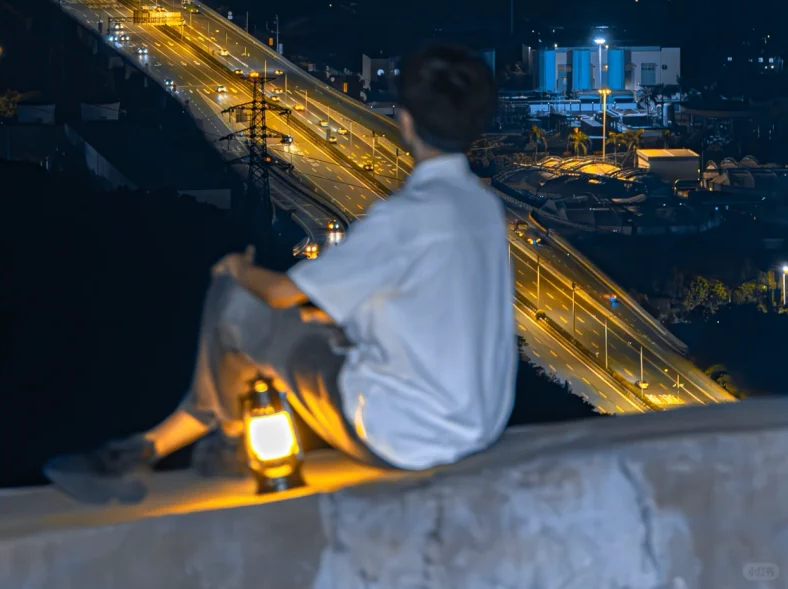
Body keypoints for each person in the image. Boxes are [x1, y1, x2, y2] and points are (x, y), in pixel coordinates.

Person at [45, 43, 517, 503]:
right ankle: (164, 445)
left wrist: (238, 268)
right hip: (477, 427)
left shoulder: (405, 217)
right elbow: (426, 313)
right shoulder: (483, 207)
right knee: (304, 324)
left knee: (236, 302)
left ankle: (199, 444)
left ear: (406, 121)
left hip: (400, 436)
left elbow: (281, 294)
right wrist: (330, 320)